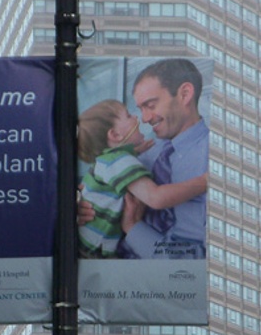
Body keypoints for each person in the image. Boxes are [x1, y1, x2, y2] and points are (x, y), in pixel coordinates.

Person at [78, 58, 209, 259]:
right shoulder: (142, 147)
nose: (144, 119)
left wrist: (133, 229)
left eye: (150, 105)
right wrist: (83, 203)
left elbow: (194, 262)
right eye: (138, 110)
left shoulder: (214, 159)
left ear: (185, 94)